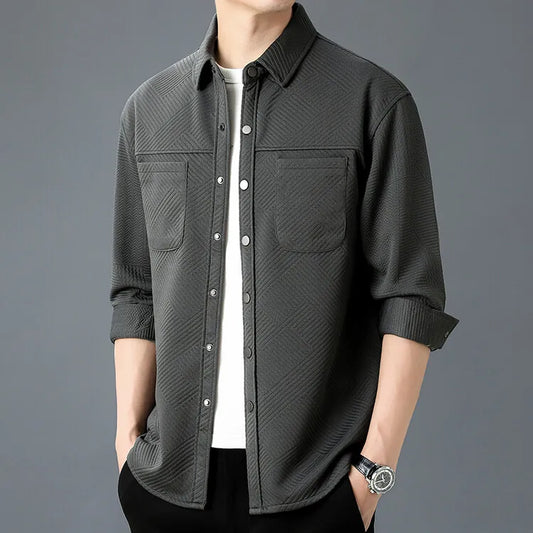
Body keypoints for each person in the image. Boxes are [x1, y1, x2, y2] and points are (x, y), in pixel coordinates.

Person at [110, 1, 460, 531]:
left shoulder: (372, 101)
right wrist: (128, 442)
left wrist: (374, 474)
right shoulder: (149, 111)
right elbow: (137, 292)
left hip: (316, 493)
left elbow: (411, 297)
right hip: (169, 489)